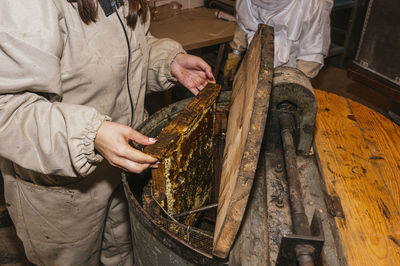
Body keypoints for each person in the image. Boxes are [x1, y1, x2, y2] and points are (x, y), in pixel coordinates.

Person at [0, 0, 214, 265]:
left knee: (124, 254)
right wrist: (91, 134)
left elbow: (120, 54)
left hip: (121, 169)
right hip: (62, 190)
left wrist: (167, 62)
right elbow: (8, 109)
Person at [223, 0, 333, 87]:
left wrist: (296, 86)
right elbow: (243, 23)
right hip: (252, 61)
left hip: (289, 70)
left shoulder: (313, 4)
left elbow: (311, 53)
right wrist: (236, 53)